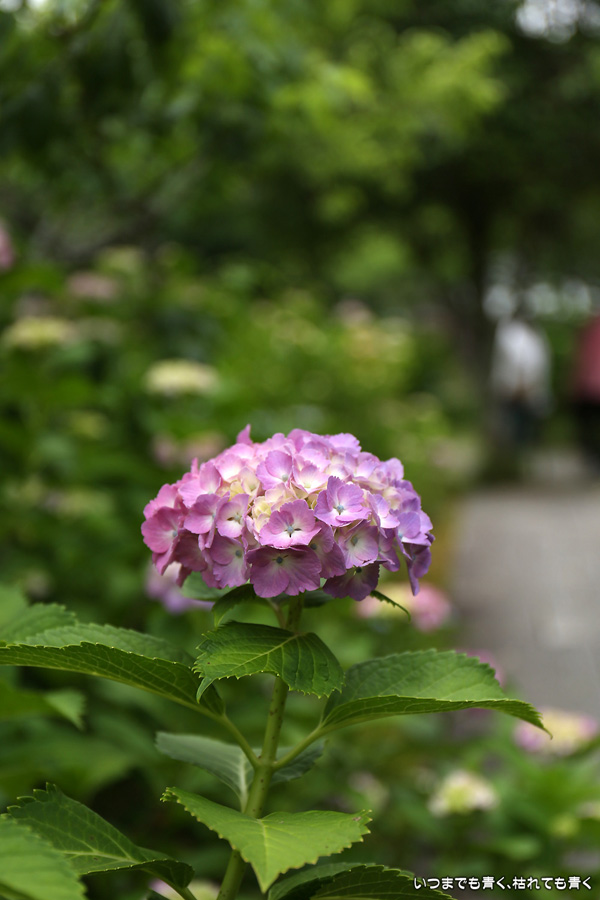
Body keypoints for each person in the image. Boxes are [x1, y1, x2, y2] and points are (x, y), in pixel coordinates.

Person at [490, 310, 551, 452]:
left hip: (518, 391)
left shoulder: (513, 335)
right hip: (519, 391)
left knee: (517, 429)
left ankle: (516, 455)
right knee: (517, 428)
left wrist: (520, 386)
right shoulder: (532, 337)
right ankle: (515, 455)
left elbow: (522, 363)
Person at [571, 312, 600, 470]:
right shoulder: (588, 331)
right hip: (590, 388)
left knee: (588, 427)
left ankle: (592, 457)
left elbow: (581, 361)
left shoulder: (587, 330)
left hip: (588, 388)